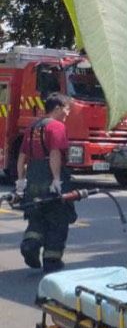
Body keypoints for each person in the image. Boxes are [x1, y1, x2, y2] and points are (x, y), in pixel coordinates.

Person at [15, 93, 76, 271]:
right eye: (66, 109)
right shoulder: (56, 127)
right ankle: (52, 261)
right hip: (50, 181)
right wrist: (56, 179)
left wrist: (21, 181)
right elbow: (55, 154)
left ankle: (30, 244)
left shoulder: (33, 127)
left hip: (33, 182)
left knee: (36, 218)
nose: (67, 114)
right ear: (57, 108)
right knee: (58, 221)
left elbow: (22, 156)